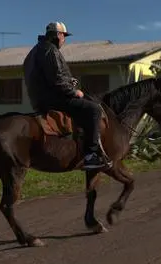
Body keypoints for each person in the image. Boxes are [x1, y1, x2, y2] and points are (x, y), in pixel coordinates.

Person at [23, 21, 110, 170]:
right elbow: (56, 81)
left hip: (39, 100)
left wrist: (69, 81)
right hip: (55, 100)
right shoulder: (51, 50)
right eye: (64, 36)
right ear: (58, 35)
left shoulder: (34, 52)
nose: (64, 40)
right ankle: (91, 155)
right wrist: (74, 91)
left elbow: (48, 77)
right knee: (94, 109)